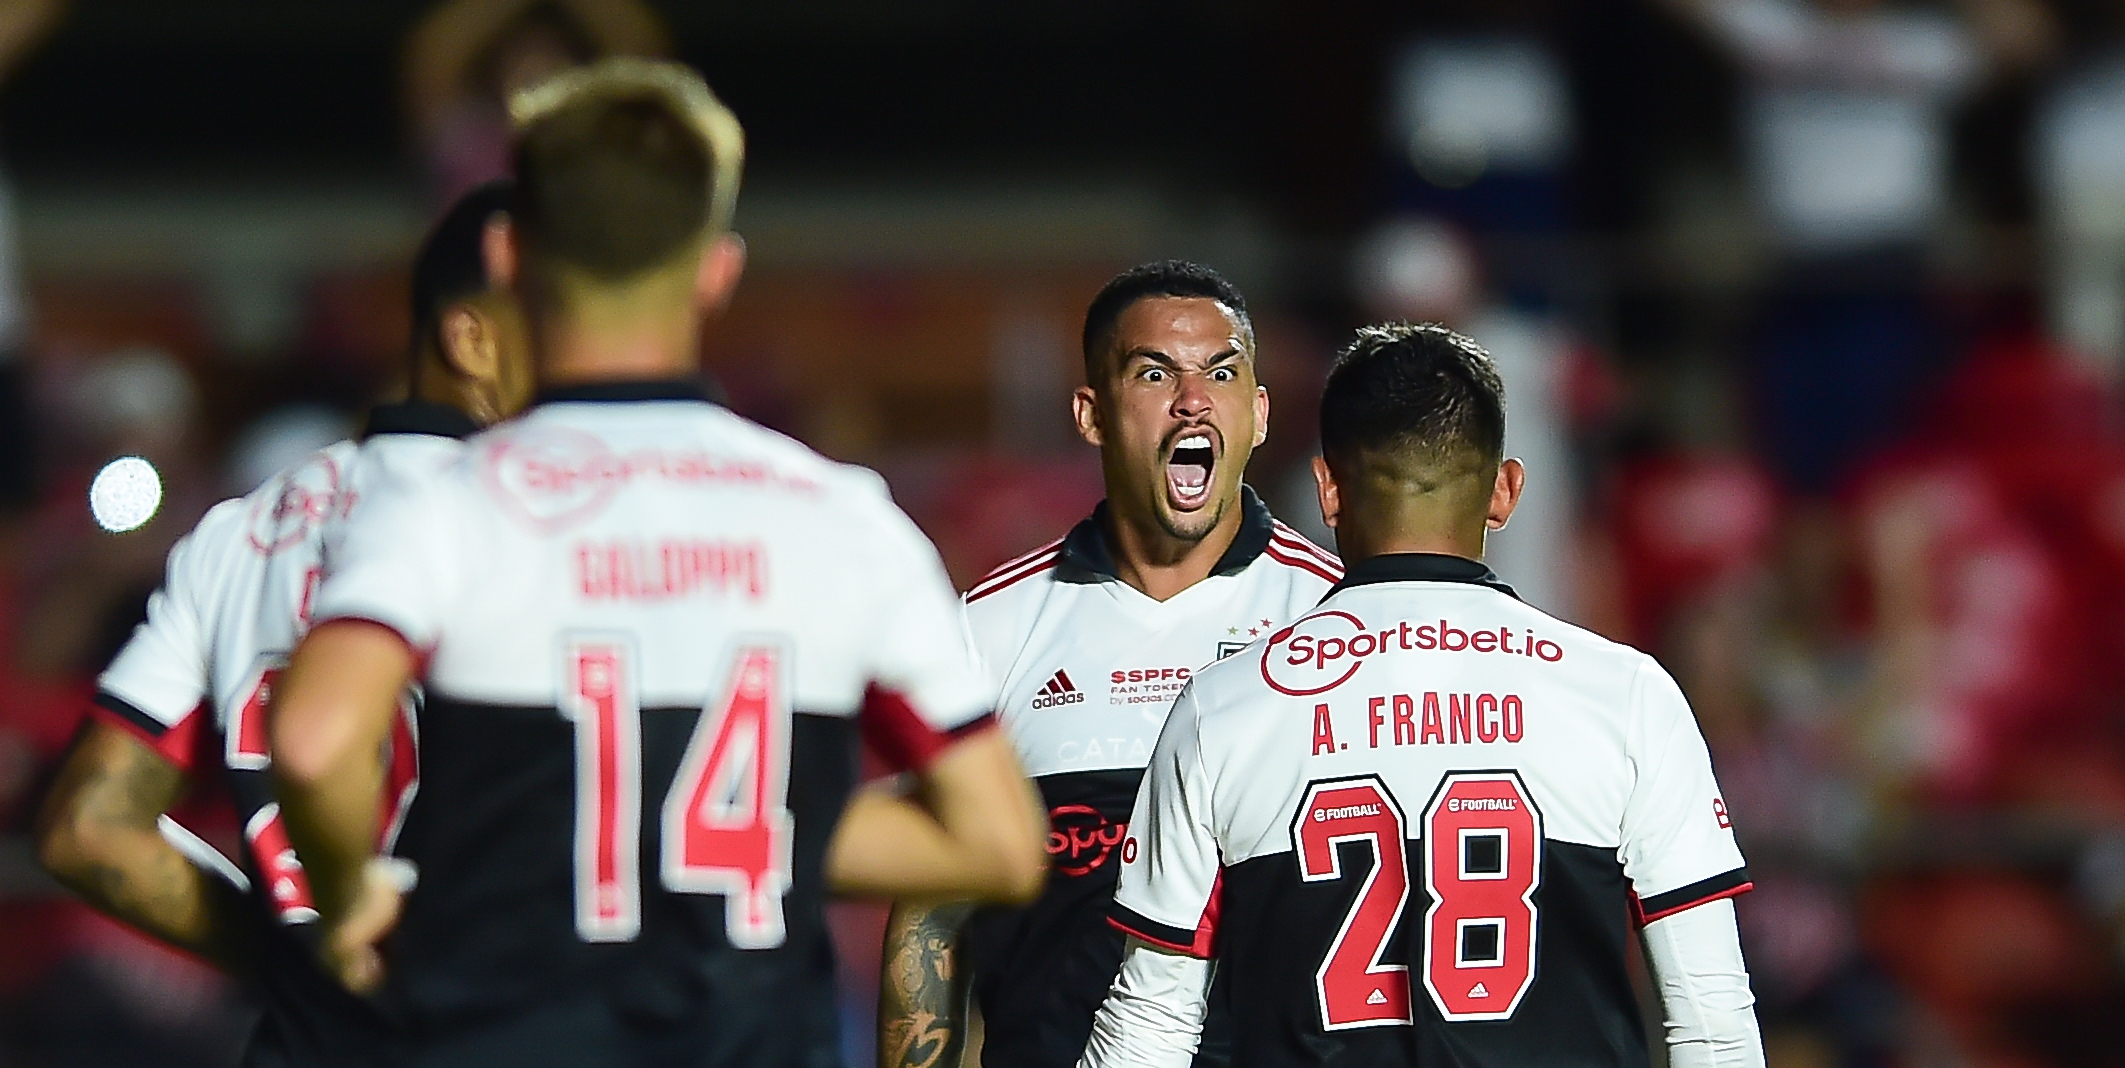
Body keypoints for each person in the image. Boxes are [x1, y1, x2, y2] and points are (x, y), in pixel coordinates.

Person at [268, 59, 1048, 1067]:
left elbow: (318, 741)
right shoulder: (844, 518)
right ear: (719, 268)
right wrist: (759, 834)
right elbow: (997, 841)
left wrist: (349, 895)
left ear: (507, 255)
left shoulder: (446, 504)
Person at [1077, 323, 1763, 1068]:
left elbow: (1150, 1021)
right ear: (1503, 491)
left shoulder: (1222, 707)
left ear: (1328, 491)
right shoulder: (1625, 694)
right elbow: (1711, 1022)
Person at [33, 179, 535, 1066]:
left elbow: (89, 823)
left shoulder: (246, 526)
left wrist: (297, 964)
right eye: (580, 319)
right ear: (474, 335)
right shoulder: (551, 517)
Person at [878, 261, 1342, 1068]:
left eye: (1222, 373)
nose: (1192, 399)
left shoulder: (1338, 619)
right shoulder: (991, 627)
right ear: (1090, 414)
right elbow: (930, 918)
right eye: (1154, 372)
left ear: (1259, 413)